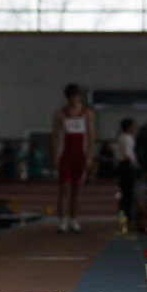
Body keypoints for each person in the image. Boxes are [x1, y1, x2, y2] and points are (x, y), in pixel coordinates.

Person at [52, 82, 94, 233]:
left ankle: (74, 219)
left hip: (80, 156)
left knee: (77, 189)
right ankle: (64, 220)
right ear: (67, 98)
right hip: (66, 156)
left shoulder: (87, 114)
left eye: (76, 97)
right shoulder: (60, 114)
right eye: (71, 97)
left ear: (79, 97)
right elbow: (56, 136)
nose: (74, 100)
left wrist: (89, 157)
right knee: (65, 188)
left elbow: (90, 136)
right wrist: (56, 156)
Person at [115, 118, 138, 232]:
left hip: (123, 166)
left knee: (125, 193)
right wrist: (136, 165)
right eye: (133, 126)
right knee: (128, 194)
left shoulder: (121, 137)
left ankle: (124, 216)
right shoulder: (127, 138)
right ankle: (126, 218)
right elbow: (128, 154)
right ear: (129, 127)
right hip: (127, 166)